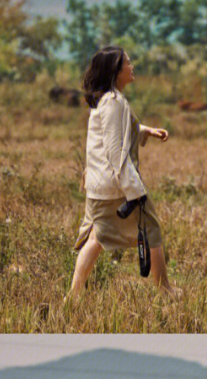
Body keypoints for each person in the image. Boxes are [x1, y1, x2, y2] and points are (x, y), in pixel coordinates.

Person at [69, 46, 176, 296]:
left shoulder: (107, 99)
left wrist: (146, 131)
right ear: (116, 71)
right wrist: (134, 190)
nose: (132, 66)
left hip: (99, 185)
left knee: (96, 237)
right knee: (151, 229)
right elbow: (116, 151)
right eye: (127, 62)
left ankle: (73, 295)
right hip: (116, 186)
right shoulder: (114, 102)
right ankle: (164, 289)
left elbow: (120, 130)